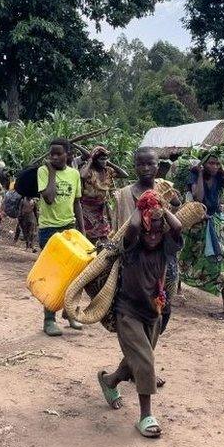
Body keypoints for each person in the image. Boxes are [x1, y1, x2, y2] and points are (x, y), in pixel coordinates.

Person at [97, 190, 182, 439]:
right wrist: (142, 206)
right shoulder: (132, 247)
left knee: (136, 361)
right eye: (149, 230)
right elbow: (134, 227)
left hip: (152, 313)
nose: (153, 235)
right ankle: (146, 416)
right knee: (145, 361)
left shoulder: (165, 248)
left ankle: (109, 381)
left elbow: (176, 228)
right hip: (128, 313)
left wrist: (161, 208)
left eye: (158, 230)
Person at [113, 147, 181, 336]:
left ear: (158, 166)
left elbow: (178, 206)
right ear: (135, 167)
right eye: (140, 164)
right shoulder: (125, 194)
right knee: (137, 305)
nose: (145, 168)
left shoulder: (164, 187)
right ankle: (138, 353)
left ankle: (144, 348)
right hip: (136, 258)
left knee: (165, 305)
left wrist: (165, 197)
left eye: (150, 163)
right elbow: (121, 227)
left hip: (164, 257)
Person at [180, 151, 224, 313]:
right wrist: (200, 174)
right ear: (203, 164)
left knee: (214, 259)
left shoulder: (219, 178)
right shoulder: (193, 176)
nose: (214, 166)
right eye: (211, 163)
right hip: (194, 225)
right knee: (186, 256)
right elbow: (198, 198)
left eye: (217, 164)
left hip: (210, 225)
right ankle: (177, 289)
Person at [37, 138, 84, 336]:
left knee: (74, 274)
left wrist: (82, 230)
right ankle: (49, 320)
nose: (54, 157)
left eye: (58, 153)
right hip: (49, 229)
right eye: (52, 154)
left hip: (69, 228)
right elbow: (48, 198)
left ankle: (70, 312)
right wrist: (53, 172)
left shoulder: (74, 174)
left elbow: (77, 203)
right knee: (54, 276)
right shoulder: (44, 171)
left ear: (69, 154)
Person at [79, 146, 128, 244]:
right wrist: (90, 161)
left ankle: (102, 255)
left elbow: (124, 174)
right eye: (101, 159)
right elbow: (82, 175)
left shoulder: (108, 171)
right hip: (87, 209)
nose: (104, 161)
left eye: (106, 159)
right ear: (95, 160)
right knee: (89, 237)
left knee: (105, 235)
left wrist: (109, 163)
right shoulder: (89, 171)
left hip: (102, 208)